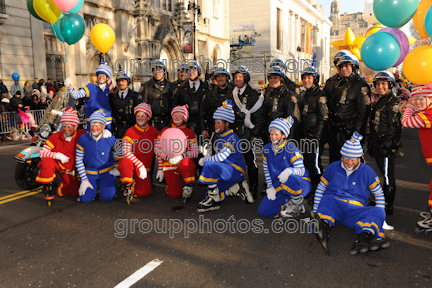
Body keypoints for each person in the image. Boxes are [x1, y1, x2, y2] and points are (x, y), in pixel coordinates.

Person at [310, 132, 389, 255]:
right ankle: (323, 224)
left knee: (378, 211)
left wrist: (381, 219)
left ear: (359, 158)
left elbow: (379, 195)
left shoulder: (367, 171)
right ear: (342, 157)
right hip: (334, 208)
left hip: (355, 211)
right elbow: (320, 189)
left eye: (353, 159)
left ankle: (364, 237)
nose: (349, 163)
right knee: (328, 198)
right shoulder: (333, 167)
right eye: (346, 158)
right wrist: (315, 212)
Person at [197, 100, 254, 213]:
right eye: (215, 123)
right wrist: (206, 152)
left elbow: (220, 157)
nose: (216, 125)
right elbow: (217, 157)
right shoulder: (220, 137)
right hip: (227, 170)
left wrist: (205, 159)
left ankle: (215, 200)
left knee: (209, 165)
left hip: (235, 170)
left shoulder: (231, 137)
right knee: (209, 191)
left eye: (219, 122)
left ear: (227, 124)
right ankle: (237, 189)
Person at [258, 116, 312, 218]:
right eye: (271, 133)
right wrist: (270, 187)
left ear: (283, 135)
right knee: (263, 211)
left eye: (276, 134)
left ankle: (297, 205)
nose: (273, 137)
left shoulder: (291, 148)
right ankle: (288, 204)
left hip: (299, 184)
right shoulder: (266, 149)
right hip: (280, 185)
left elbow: (301, 170)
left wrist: (288, 171)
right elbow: (266, 170)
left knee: (290, 178)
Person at [367, 71, 402, 216]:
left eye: (383, 84)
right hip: (378, 144)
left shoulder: (393, 102)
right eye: (378, 84)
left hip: (386, 146)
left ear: (390, 85)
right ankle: (383, 201)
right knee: (384, 174)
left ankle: (388, 205)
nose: (380, 87)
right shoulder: (382, 100)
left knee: (388, 176)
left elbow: (395, 127)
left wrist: (386, 145)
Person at [35, 108, 87, 203]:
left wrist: (106, 133)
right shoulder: (56, 136)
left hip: (71, 170)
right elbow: (42, 152)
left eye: (69, 126)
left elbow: (95, 136)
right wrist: (58, 155)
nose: (66, 129)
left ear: (75, 126)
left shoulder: (82, 134)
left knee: (73, 193)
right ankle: (48, 187)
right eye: (64, 126)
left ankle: (59, 184)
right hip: (58, 166)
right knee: (46, 162)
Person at [326, 54, 371, 163]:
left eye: (347, 66)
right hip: (335, 131)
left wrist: (356, 133)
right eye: (341, 66)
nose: (344, 69)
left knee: (353, 165)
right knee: (335, 162)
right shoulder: (336, 83)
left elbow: (363, 112)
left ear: (353, 67)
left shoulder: (361, 85)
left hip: (351, 132)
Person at [229, 65, 265, 199]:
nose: (237, 79)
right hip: (234, 131)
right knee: (233, 159)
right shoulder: (231, 93)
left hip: (248, 133)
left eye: (240, 76)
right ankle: (236, 185)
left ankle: (254, 186)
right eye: (236, 76)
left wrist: (255, 134)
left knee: (250, 160)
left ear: (246, 78)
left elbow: (259, 116)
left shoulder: (253, 94)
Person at [401, 85, 432, 228]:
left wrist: (410, 106)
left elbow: (406, 121)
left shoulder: (428, 114)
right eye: (416, 99)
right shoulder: (427, 111)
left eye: (421, 99)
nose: (418, 102)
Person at [155, 105, 199, 200]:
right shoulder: (164, 131)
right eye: (175, 115)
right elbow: (157, 149)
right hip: (169, 164)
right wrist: (162, 166)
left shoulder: (189, 132)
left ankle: (189, 185)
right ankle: (173, 187)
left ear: (184, 118)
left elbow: (195, 151)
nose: (177, 117)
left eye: (180, 115)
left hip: (183, 163)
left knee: (185, 163)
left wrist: (183, 156)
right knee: (174, 195)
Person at [118, 103, 159, 204]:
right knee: (125, 161)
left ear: (148, 117)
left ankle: (134, 184)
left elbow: (159, 149)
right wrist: (139, 164)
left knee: (145, 192)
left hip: (144, 169)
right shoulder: (130, 131)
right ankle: (127, 184)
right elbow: (125, 151)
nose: (140, 118)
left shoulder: (154, 131)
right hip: (132, 163)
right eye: (138, 115)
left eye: (143, 115)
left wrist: (161, 168)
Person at [298, 67, 329, 193]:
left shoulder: (320, 96)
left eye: (309, 78)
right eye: (304, 78)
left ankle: (319, 190)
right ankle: (309, 189)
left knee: (314, 165)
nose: (306, 80)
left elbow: (324, 117)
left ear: (315, 80)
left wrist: (317, 136)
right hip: (304, 135)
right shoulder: (304, 94)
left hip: (314, 137)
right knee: (305, 163)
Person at [75, 110, 117, 203]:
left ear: (103, 127)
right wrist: (84, 179)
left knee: (109, 197)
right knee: (85, 199)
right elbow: (78, 160)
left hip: (106, 173)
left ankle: (106, 187)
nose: (94, 128)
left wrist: (120, 170)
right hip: (90, 174)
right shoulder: (83, 139)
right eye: (92, 125)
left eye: (97, 125)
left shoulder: (110, 139)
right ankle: (93, 190)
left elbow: (122, 152)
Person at [67, 61, 113, 131]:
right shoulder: (90, 87)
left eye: (104, 76)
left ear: (107, 78)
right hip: (92, 121)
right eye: (99, 75)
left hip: (107, 121)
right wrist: (70, 88)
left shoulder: (110, 89)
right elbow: (76, 95)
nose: (101, 77)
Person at [263, 65, 300, 141]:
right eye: (271, 78)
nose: (272, 80)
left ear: (282, 79)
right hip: (269, 135)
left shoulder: (289, 96)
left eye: (275, 78)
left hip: (282, 137)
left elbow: (293, 119)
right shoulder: (268, 94)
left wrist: (289, 139)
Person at [175, 61, 209, 135]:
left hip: (202, 127)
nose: (191, 72)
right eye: (189, 70)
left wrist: (204, 128)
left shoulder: (206, 88)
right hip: (185, 126)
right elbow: (175, 106)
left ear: (198, 71)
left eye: (193, 70)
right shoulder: (181, 88)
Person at [141, 60, 176, 131]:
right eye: (155, 70)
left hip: (167, 123)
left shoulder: (171, 86)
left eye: (159, 70)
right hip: (151, 123)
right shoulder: (146, 86)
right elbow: (142, 106)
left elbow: (174, 105)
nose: (157, 73)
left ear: (164, 72)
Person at [199, 67, 233, 139]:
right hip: (213, 130)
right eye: (218, 77)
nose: (220, 79)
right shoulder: (210, 94)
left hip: (230, 130)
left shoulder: (234, 92)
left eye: (222, 76)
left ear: (227, 78)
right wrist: (203, 129)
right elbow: (202, 112)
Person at [109, 73, 139, 138]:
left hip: (131, 128)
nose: (120, 83)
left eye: (123, 81)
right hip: (117, 129)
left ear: (128, 82)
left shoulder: (135, 95)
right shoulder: (112, 96)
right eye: (119, 81)